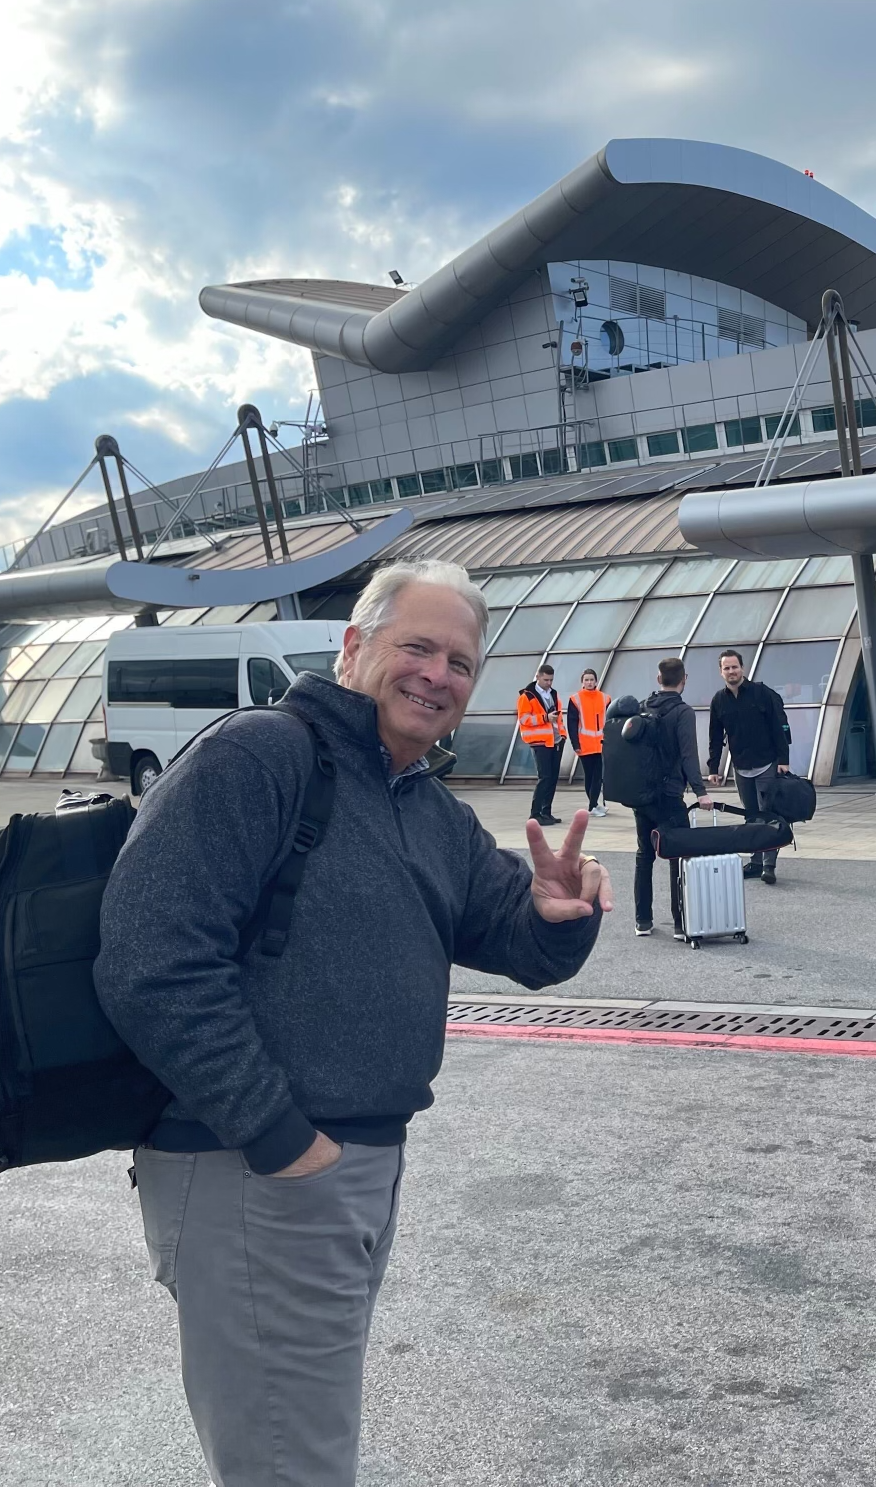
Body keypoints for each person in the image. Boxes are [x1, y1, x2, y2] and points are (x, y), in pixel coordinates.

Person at [95, 559, 610, 1487]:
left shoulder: (420, 801)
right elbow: (150, 960)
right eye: (416, 645)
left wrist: (559, 917)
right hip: (251, 1168)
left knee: (299, 1446)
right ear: (353, 645)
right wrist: (281, 1140)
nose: (437, 674)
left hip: (349, 1167)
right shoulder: (262, 756)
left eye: (459, 660)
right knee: (293, 1466)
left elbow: (515, 941)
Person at [633, 656, 713, 938]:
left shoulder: (642, 708)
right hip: (669, 795)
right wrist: (701, 792)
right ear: (684, 679)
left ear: (658, 679)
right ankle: (680, 923)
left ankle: (643, 920)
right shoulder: (683, 712)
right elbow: (689, 756)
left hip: (642, 795)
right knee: (677, 856)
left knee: (644, 855)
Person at [705, 647, 792, 884]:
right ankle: (755, 861)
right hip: (741, 766)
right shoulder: (719, 700)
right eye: (727, 668)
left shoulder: (762, 693)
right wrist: (714, 768)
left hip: (767, 763)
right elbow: (715, 736)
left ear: (742, 668)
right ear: (721, 672)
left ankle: (768, 865)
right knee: (751, 814)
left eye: (735, 667)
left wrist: (783, 760)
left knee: (769, 814)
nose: (731, 671)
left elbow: (778, 727)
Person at [516, 663, 564, 826]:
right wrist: (544, 718)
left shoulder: (554, 694)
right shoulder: (527, 696)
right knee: (544, 777)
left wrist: (562, 736)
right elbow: (523, 719)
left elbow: (559, 718)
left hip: (555, 740)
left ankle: (546, 812)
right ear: (537, 677)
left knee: (552, 778)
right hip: (539, 741)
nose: (549, 683)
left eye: (551, 680)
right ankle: (535, 814)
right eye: (546, 680)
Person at [566, 666, 609, 816]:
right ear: (582, 682)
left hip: (601, 744)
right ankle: (593, 806)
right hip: (585, 744)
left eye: (591, 680)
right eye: (586, 680)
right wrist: (575, 744)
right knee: (590, 776)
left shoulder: (605, 698)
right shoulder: (575, 699)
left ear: (596, 681)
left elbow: (610, 721)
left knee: (598, 776)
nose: (589, 682)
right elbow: (571, 724)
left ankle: (593, 805)